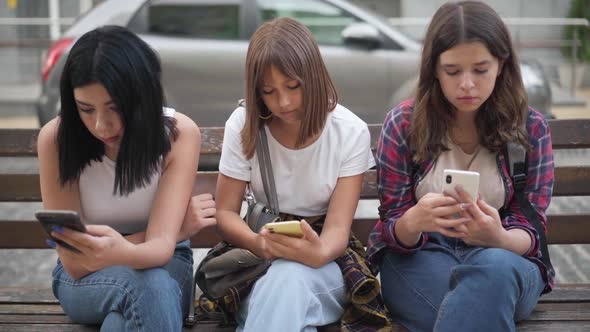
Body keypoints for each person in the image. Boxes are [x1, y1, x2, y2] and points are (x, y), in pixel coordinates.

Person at [366, 1, 555, 331]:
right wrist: (414, 220)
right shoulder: (404, 125)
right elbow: (392, 225)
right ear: (434, 70)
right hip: (421, 259)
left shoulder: (530, 128)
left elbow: (531, 226)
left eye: (481, 70)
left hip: (505, 260)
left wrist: (499, 237)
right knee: (482, 302)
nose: (467, 84)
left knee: (492, 273)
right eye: (452, 71)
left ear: (501, 65)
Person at [214, 17, 390, 332]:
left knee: (288, 280)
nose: (283, 102)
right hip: (259, 263)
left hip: (325, 263)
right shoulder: (243, 124)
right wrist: (259, 244)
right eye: (269, 91)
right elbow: (226, 213)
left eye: (293, 86)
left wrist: (314, 251)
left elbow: (336, 231)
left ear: (313, 75)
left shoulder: (349, 132)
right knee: (285, 299)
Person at [37, 25, 216, 331]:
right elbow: (74, 262)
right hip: (84, 280)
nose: (101, 125)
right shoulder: (56, 138)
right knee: (151, 288)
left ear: (142, 95)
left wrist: (132, 245)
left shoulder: (177, 135)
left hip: (168, 265)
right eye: (85, 109)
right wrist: (173, 231)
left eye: (114, 107)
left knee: (127, 315)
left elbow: (162, 250)